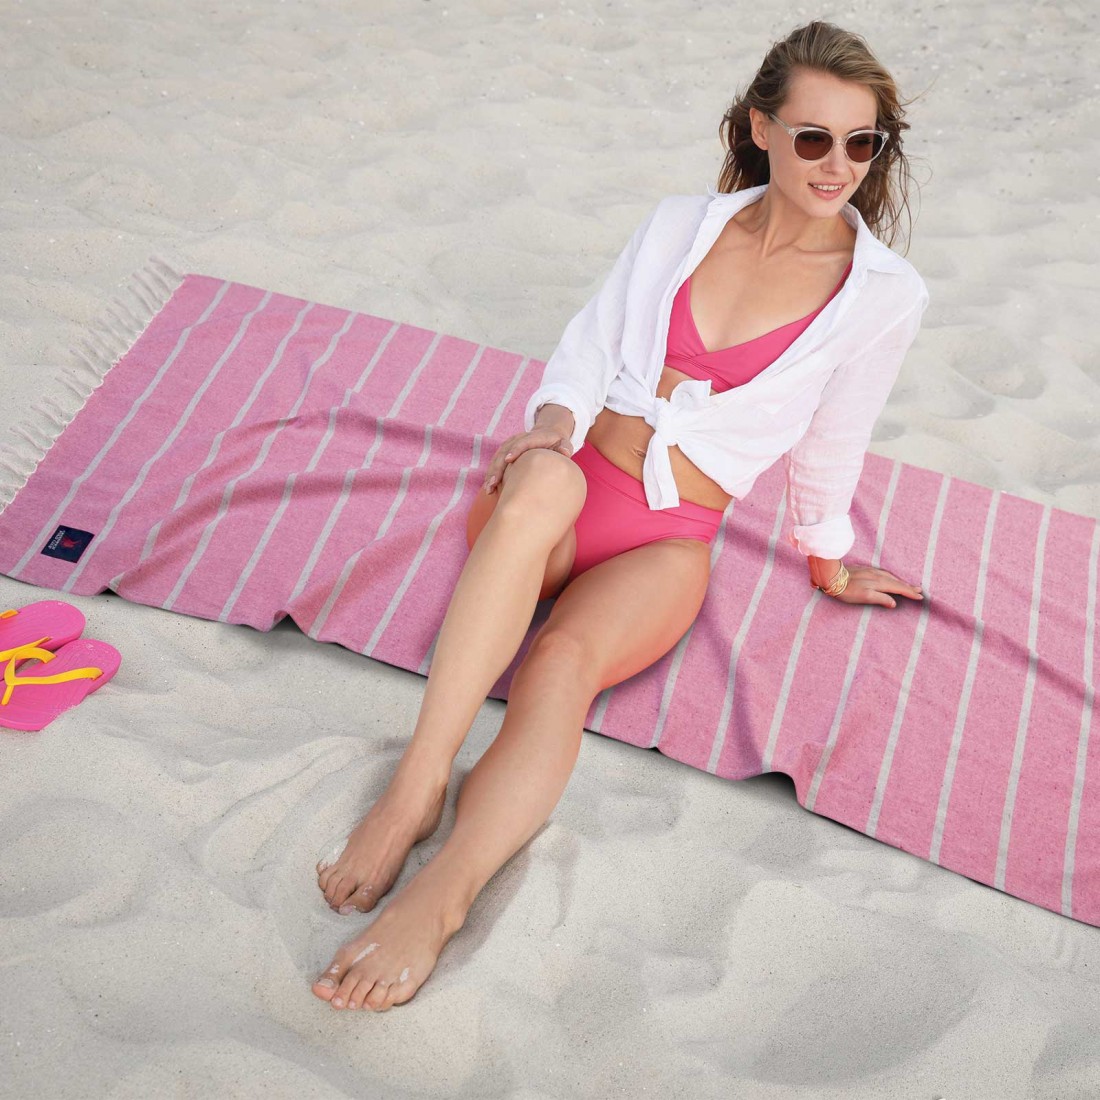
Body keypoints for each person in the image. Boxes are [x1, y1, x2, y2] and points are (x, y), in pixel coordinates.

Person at [311, 19, 930, 1012]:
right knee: (544, 483)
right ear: (761, 128)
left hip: (669, 538)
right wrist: (551, 425)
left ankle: (445, 891)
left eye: (862, 143)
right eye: (813, 137)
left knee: (560, 662)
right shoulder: (680, 224)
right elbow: (590, 345)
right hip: (564, 493)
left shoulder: (883, 296)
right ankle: (417, 782)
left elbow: (833, 440)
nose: (837, 166)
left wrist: (828, 558)